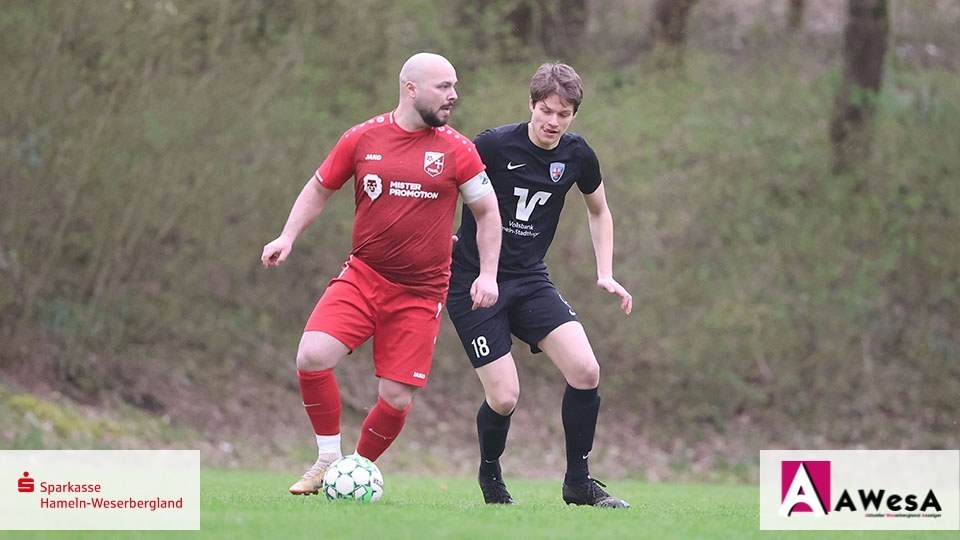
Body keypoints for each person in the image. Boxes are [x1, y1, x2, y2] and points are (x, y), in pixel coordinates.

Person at [261, 52, 502, 496]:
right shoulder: (361, 137)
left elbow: (488, 213)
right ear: (410, 88)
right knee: (311, 356)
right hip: (363, 276)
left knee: (395, 399)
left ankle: (353, 470)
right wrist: (287, 236)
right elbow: (319, 188)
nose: (454, 96)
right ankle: (327, 460)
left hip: (421, 292)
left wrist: (488, 275)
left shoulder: (457, 149)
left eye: (454, 86)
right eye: (443, 87)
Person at [447, 62, 633, 508]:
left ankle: (579, 483)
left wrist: (604, 271)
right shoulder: (492, 144)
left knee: (586, 371)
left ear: (573, 115)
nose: (553, 122)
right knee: (506, 396)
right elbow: (442, 186)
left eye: (564, 114)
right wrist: (439, 238)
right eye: (546, 110)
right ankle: (491, 475)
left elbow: (599, 211)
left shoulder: (578, 155)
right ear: (531, 104)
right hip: (474, 280)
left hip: (530, 280)